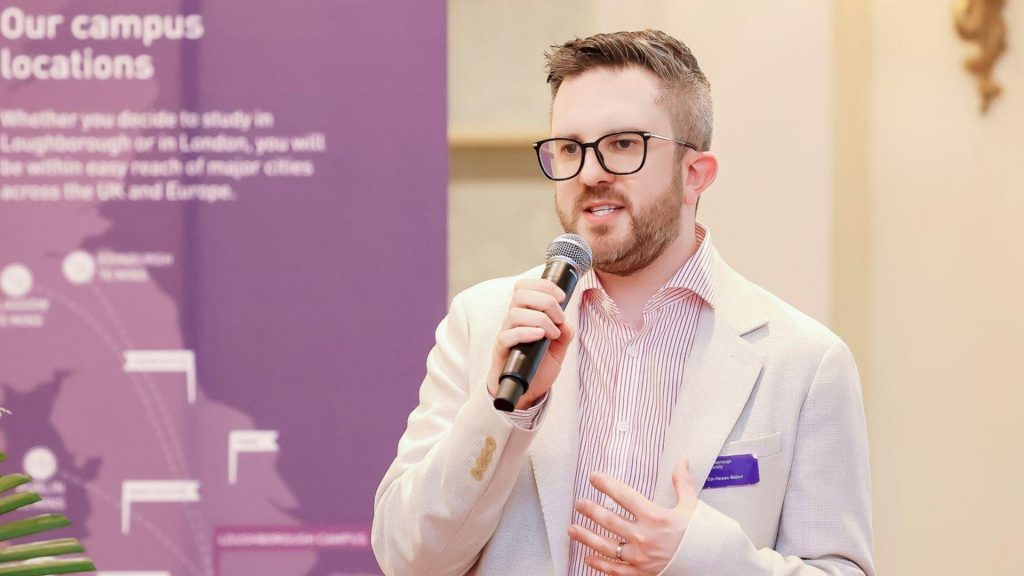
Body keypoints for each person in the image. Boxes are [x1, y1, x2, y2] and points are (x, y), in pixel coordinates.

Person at [372, 30, 874, 576]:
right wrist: (503, 410)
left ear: (694, 175)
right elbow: (409, 557)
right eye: (569, 148)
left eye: (623, 145)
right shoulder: (484, 325)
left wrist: (700, 558)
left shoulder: (804, 361)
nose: (589, 174)